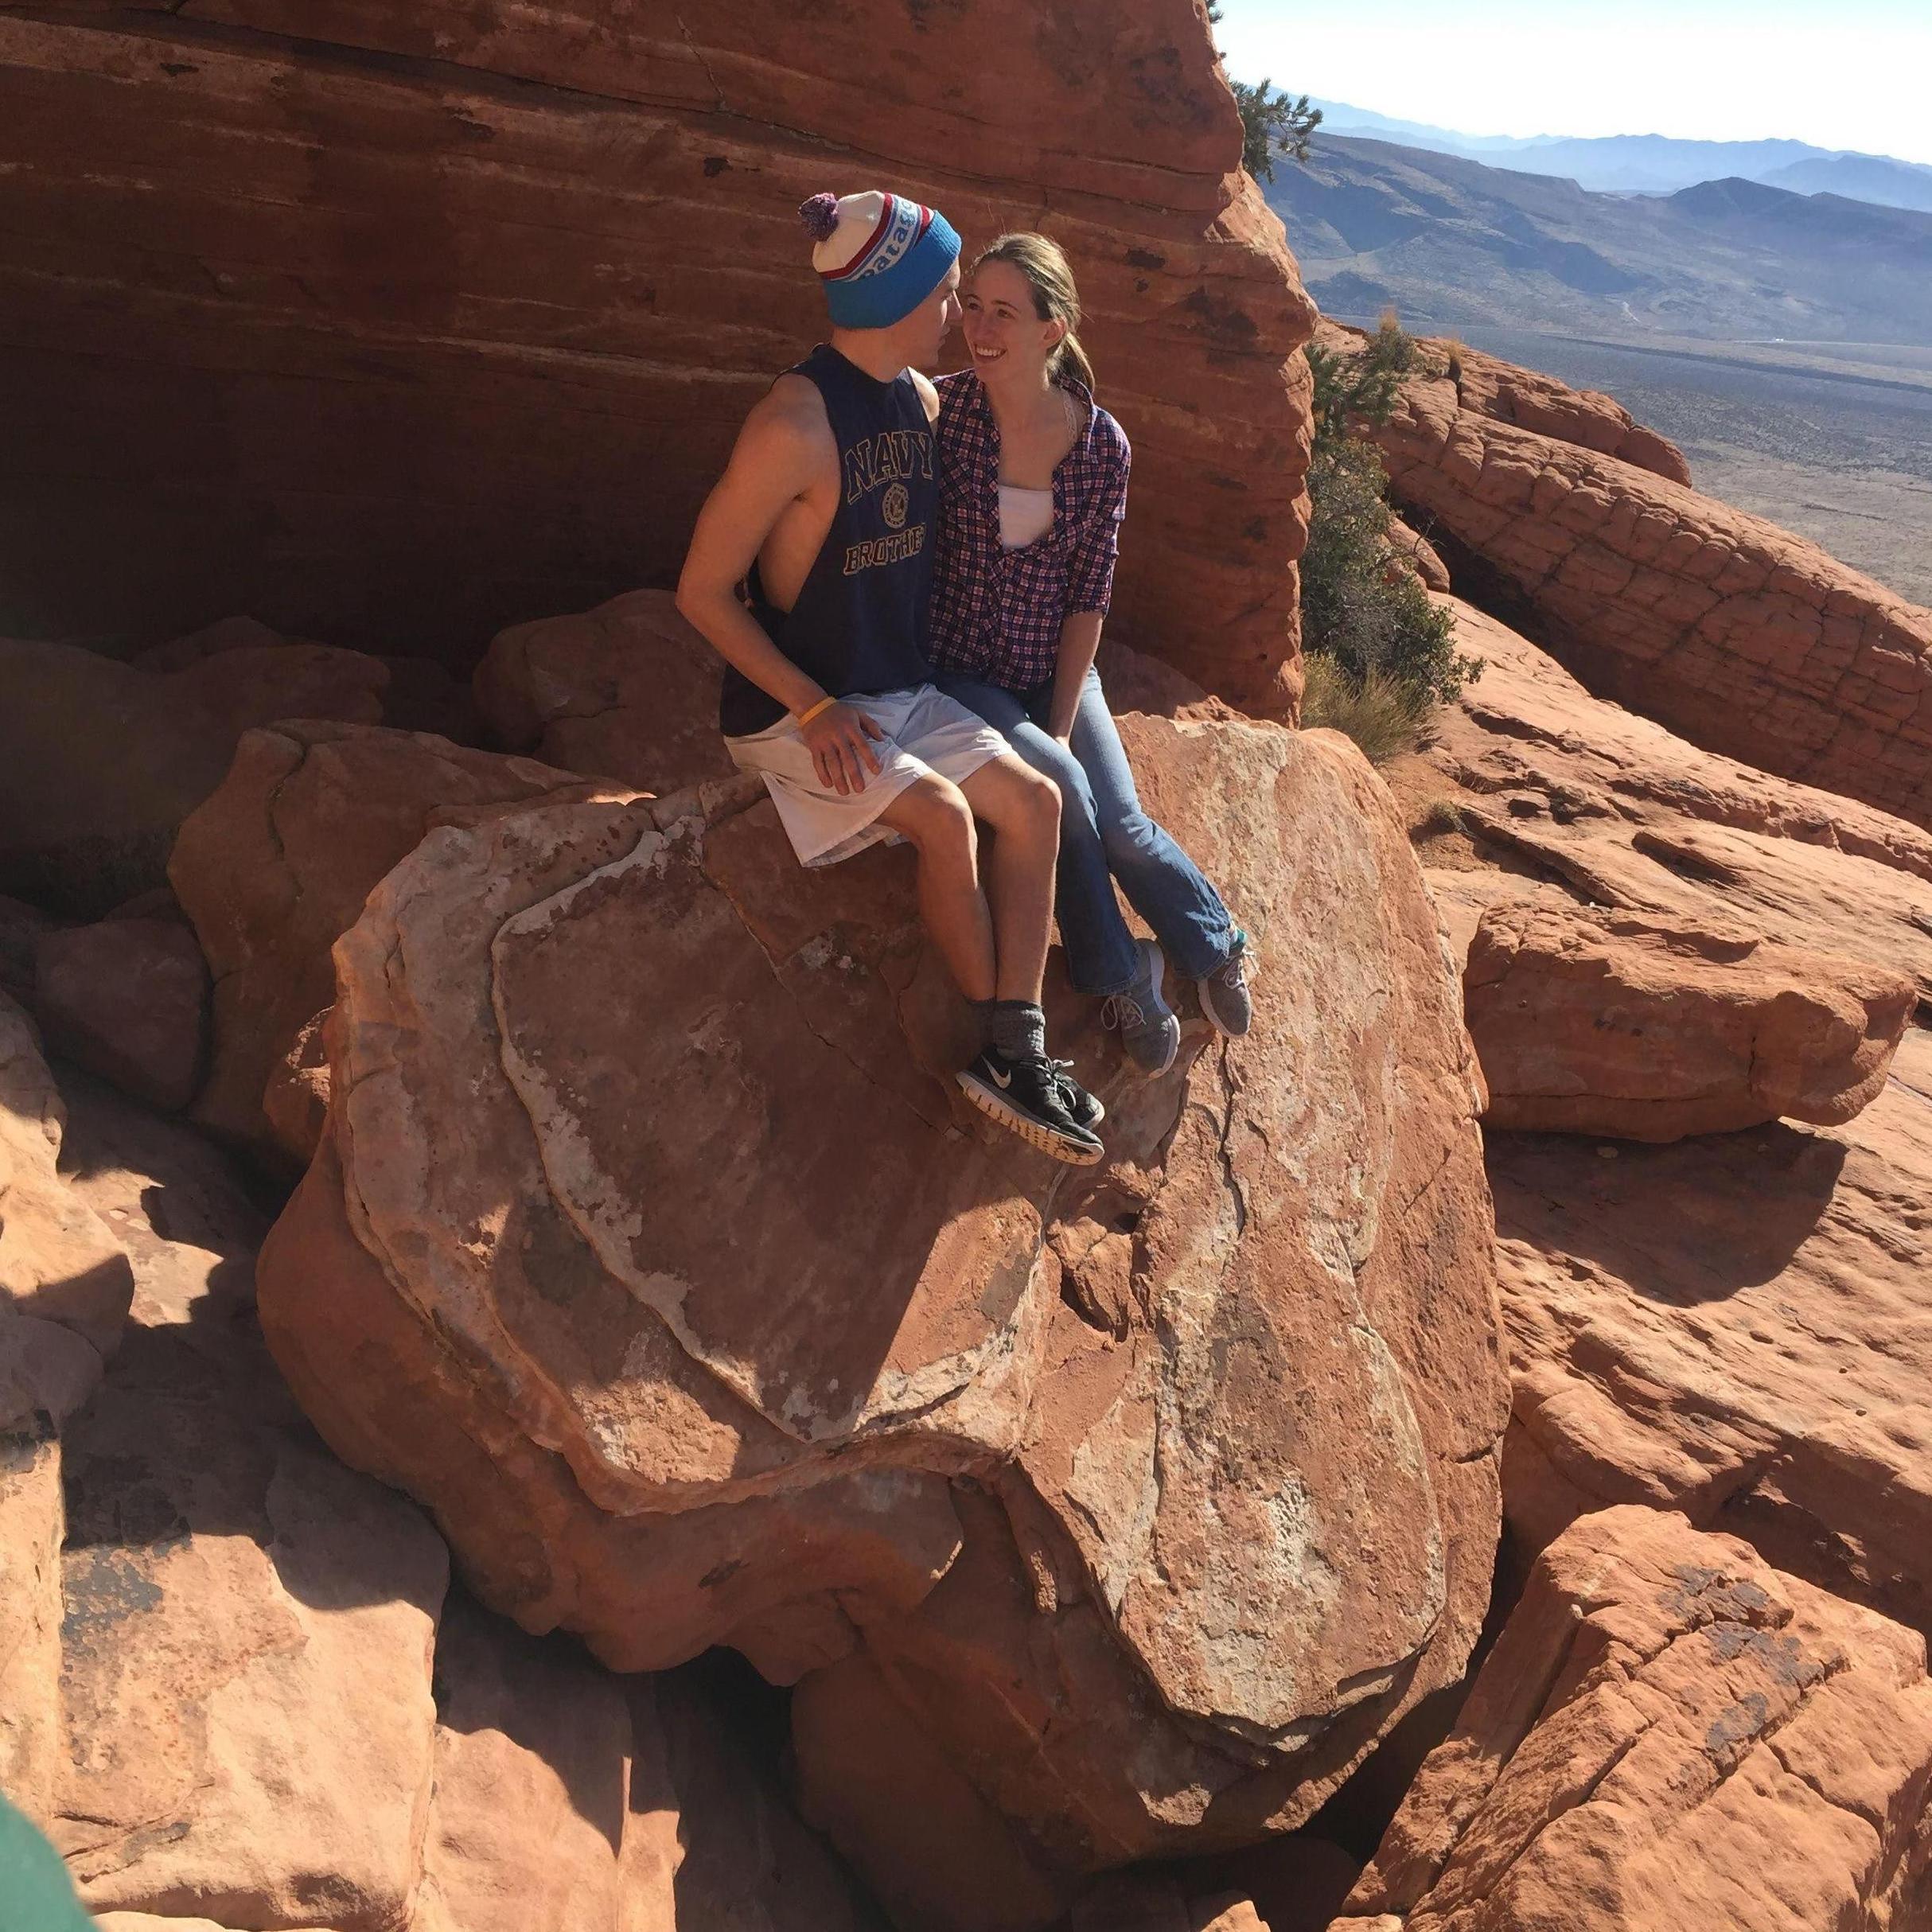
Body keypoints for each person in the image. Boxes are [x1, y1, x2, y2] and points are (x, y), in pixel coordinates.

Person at [676, 191, 1105, 1165]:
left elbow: (1023, 446)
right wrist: (812, 706)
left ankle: (1020, 1049)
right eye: (950, 293)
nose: (962, 314)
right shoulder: (792, 422)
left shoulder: (920, 400)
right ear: (897, 299)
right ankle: (1004, 1050)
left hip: (896, 689)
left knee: (1037, 802)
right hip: (801, 709)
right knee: (946, 818)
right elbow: (701, 592)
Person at [926, 232, 1253, 1077]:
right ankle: (1122, 975)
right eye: (973, 306)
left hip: (1057, 666)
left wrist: (1062, 720)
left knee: (1123, 825)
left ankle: (1209, 940)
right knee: (1064, 793)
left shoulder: (1100, 445)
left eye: (1004, 311)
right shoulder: (943, 414)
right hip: (965, 674)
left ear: (1051, 327)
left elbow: (1088, 596)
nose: (980, 326)